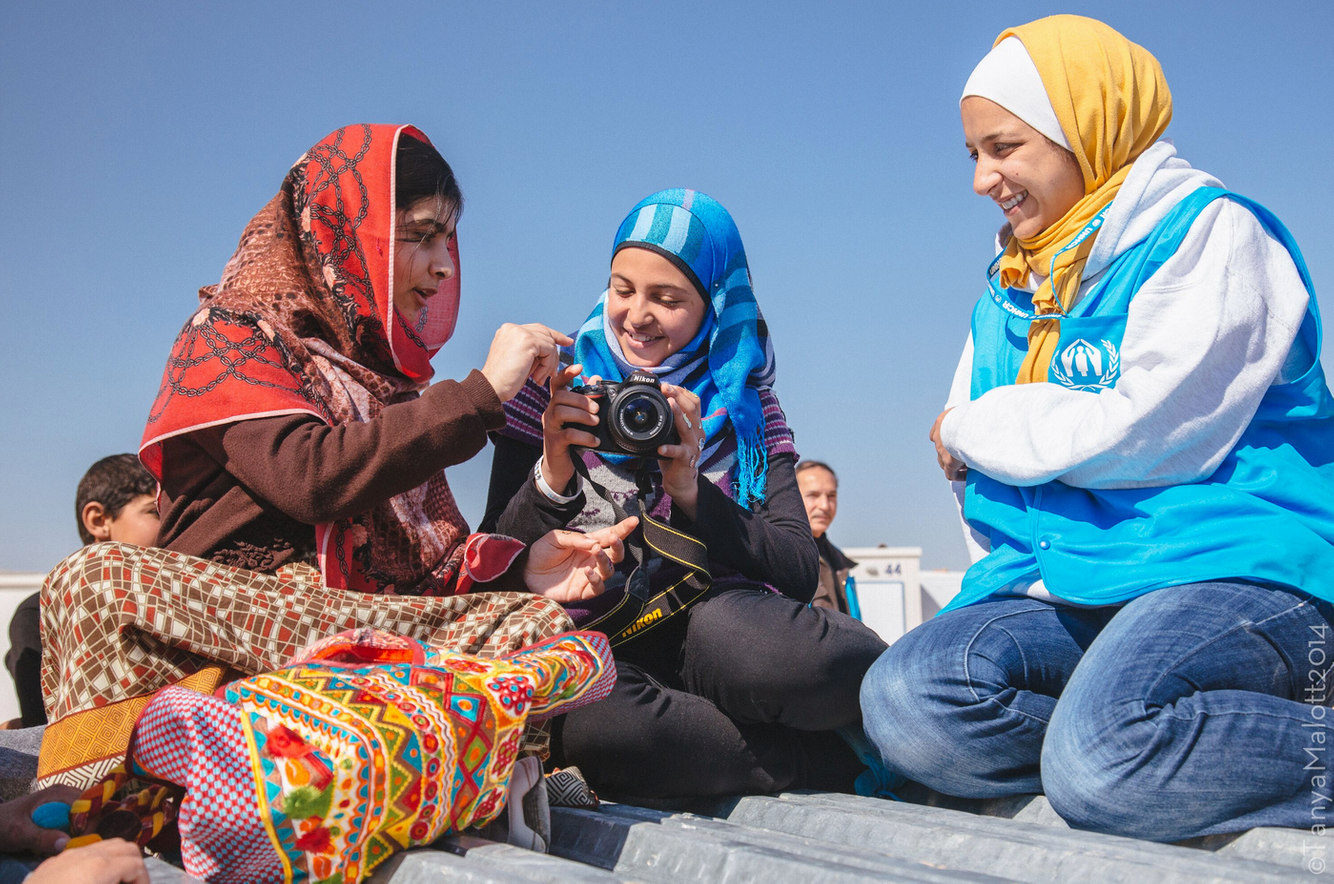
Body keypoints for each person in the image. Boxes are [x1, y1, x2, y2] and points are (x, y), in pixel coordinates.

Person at [38, 124, 635, 791]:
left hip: (352, 654)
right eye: (419, 235)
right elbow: (313, 476)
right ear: (342, 229)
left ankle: (313, 756)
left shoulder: (387, 389)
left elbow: (429, 575)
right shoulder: (228, 337)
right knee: (95, 580)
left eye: (448, 241)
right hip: (229, 646)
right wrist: (482, 395)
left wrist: (524, 569)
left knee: (537, 626)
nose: (443, 265)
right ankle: (333, 754)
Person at [859, 15, 1334, 842]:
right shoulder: (1009, 286)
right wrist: (978, 442)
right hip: (1076, 587)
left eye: (1004, 147)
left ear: (1088, 126)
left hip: (1227, 568)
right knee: (905, 702)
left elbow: (1150, 431)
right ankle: (1141, 745)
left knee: (1102, 761)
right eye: (973, 154)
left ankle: (1130, 750)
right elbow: (984, 475)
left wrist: (975, 426)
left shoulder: (1212, 233)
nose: (983, 179)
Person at [483, 188, 887, 801]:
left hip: (718, 633)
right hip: (604, 642)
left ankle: (739, 735)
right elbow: (492, 564)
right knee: (600, 729)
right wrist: (551, 473)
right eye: (623, 289)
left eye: (667, 299)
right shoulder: (551, 384)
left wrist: (691, 488)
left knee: (777, 656)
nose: (636, 315)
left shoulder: (745, 405)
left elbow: (800, 569)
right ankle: (816, 763)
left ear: (713, 306)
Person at [6, 455, 159, 729]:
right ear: (98, 520)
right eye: (155, 512)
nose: (172, 524)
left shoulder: (166, 595)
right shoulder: (39, 614)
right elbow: (42, 730)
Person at [796, 460, 857, 616]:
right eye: (813, 495)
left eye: (831, 496)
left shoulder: (840, 561)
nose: (824, 505)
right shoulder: (787, 557)